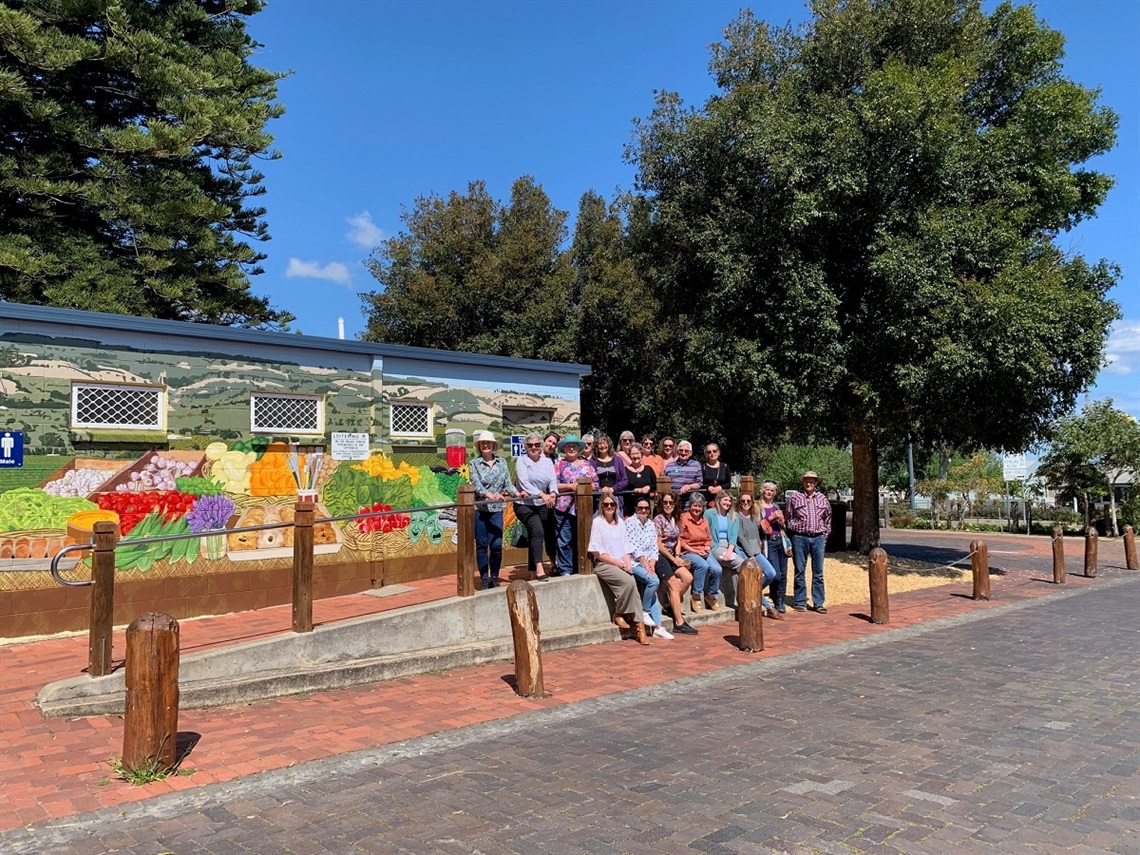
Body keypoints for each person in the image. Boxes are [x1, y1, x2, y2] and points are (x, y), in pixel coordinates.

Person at [587, 496, 649, 644]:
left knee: (633, 582)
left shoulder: (621, 522)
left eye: (612, 504)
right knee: (629, 582)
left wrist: (627, 563)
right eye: (606, 504)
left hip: (621, 562)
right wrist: (618, 563)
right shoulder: (597, 523)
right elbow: (597, 552)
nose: (609, 507)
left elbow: (626, 547)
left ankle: (639, 627)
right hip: (604, 563)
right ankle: (620, 614)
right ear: (602, 506)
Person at [468, 430, 522, 590]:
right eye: (483, 443)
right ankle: (484, 579)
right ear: (479, 446)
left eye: (488, 443)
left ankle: (495, 576)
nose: (486, 445)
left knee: (497, 545)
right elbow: (476, 484)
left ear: (493, 446)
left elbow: (507, 483)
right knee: (482, 545)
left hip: (497, 509)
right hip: (480, 509)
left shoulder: (502, 462)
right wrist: (488, 494)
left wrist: (517, 493)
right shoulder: (474, 464)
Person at [625, 497, 673, 639]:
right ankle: (644, 610)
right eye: (641, 508)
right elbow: (633, 545)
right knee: (654, 581)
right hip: (634, 562)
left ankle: (658, 626)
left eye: (646, 508)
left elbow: (654, 545)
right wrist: (645, 563)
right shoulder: (630, 523)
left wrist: (652, 561)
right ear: (636, 508)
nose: (644, 511)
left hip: (648, 563)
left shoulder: (651, 525)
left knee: (652, 589)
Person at [513, 431, 559, 582]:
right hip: (524, 504)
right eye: (530, 445)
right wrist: (542, 494)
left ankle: (532, 571)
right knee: (537, 530)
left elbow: (553, 479)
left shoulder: (547, 461)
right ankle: (539, 569)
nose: (534, 447)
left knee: (536, 534)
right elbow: (524, 482)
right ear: (526, 447)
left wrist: (552, 492)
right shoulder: (522, 460)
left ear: (541, 446)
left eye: (536, 445)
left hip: (541, 504)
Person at [785, 470, 832, 613]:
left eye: (812, 480)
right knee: (800, 570)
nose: (809, 483)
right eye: (806, 480)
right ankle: (800, 601)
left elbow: (828, 519)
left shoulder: (823, 499)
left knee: (818, 572)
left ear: (816, 483)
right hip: (800, 538)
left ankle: (818, 603)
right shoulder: (795, 497)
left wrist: (823, 537)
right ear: (803, 482)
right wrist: (794, 531)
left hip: (818, 538)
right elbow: (788, 516)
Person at [553, 435, 599, 576]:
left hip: (583, 509)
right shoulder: (559, 464)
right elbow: (552, 485)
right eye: (568, 446)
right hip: (562, 508)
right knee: (564, 540)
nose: (571, 448)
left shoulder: (587, 465)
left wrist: (584, 486)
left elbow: (596, 484)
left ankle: (581, 568)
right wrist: (571, 486)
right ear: (564, 449)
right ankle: (565, 571)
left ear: (579, 448)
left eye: (574, 446)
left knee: (582, 539)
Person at [653, 494, 697, 634]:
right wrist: (673, 559)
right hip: (661, 556)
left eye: (670, 502)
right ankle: (679, 622)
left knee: (688, 578)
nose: (667, 505)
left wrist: (677, 555)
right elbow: (659, 545)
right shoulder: (658, 520)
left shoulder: (676, 519)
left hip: (673, 556)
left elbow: (678, 540)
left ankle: (670, 604)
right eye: (665, 502)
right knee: (673, 584)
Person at [736, 492, 782, 619]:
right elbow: (740, 538)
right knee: (753, 578)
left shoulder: (752, 517)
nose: (745, 503)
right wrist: (750, 555)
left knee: (771, 573)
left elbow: (756, 535)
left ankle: (755, 591)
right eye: (743, 501)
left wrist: (759, 549)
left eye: (748, 501)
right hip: (744, 552)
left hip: (756, 551)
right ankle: (768, 607)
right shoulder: (736, 517)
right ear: (739, 502)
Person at [679, 493, 720, 612]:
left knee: (717, 569)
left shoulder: (704, 521)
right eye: (695, 506)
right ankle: (696, 596)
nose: (697, 509)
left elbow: (708, 538)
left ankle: (711, 595)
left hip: (703, 550)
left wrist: (707, 547)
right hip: (687, 550)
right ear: (690, 505)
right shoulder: (683, 518)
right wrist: (694, 551)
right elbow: (680, 540)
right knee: (702, 565)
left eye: (700, 506)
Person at [705, 491, 744, 607]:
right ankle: (742, 600)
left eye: (729, 500)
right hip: (715, 545)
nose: (727, 503)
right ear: (719, 500)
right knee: (742, 565)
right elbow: (705, 531)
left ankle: (742, 599)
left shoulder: (734, 515)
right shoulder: (709, 513)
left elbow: (733, 535)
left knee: (746, 567)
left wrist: (729, 551)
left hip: (730, 546)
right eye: (725, 500)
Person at [759, 481, 789, 613]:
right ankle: (771, 594)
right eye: (767, 489)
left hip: (780, 540)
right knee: (774, 573)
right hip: (769, 541)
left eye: (772, 490)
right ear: (762, 491)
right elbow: (760, 526)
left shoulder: (776, 506)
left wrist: (782, 521)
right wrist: (771, 517)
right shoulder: (758, 506)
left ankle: (780, 600)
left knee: (783, 573)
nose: (769, 492)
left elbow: (783, 526)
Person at [592, 432, 628, 514]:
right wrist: (600, 489)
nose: (602, 446)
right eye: (599, 443)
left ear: (609, 444)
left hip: (615, 498)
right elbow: (590, 481)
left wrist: (613, 489)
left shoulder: (618, 460)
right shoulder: (592, 462)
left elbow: (624, 480)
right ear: (596, 446)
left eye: (604, 443)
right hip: (598, 500)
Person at [664, 440, 702, 508]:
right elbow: (664, 484)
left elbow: (699, 484)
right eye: (681, 450)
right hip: (672, 504)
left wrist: (689, 486)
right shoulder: (669, 466)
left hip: (689, 504)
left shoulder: (696, 465)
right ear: (677, 452)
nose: (683, 453)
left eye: (686, 451)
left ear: (690, 453)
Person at [622, 443, 657, 517]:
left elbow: (655, 484)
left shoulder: (648, 469)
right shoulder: (624, 470)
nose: (635, 456)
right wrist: (632, 491)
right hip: (630, 508)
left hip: (645, 508)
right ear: (629, 455)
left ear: (641, 454)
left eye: (637, 453)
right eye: (632, 454)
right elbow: (622, 487)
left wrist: (648, 487)